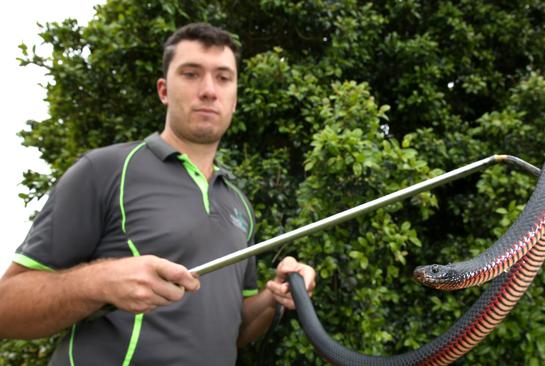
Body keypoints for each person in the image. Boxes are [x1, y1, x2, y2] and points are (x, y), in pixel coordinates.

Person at [0, 23, 316, 365]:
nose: (209, 90)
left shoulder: (238, 205)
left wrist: (274, 297)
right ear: (164, 90)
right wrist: (99, 280)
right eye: (191, 74)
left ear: (235, 97)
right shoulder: (105, 170)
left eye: (223, 77)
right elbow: (6, 307)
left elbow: (232, 329)